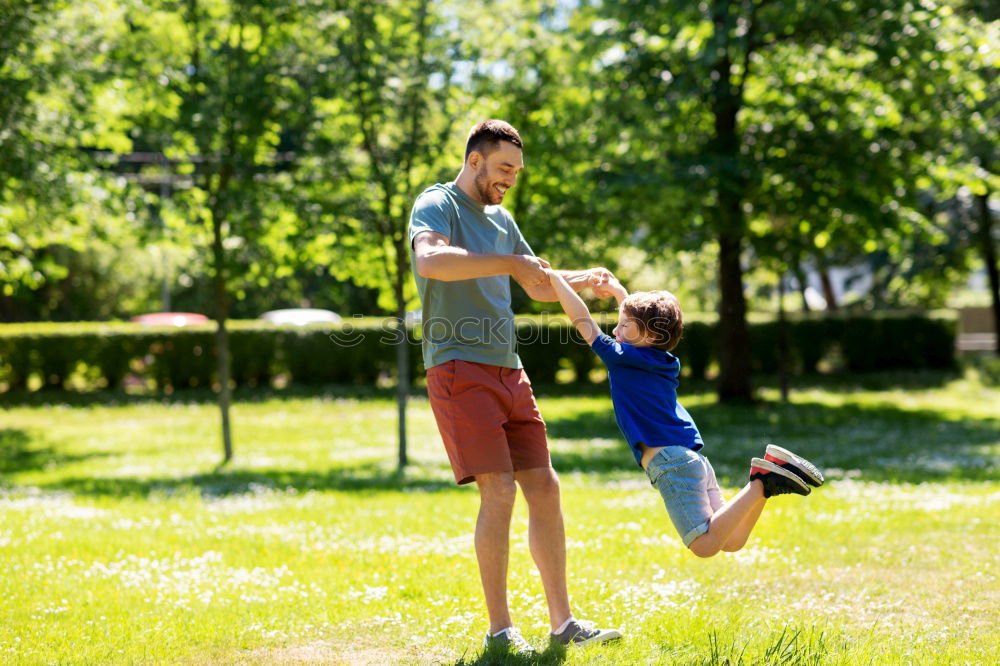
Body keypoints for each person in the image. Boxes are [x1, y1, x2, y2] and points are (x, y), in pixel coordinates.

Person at [408, 119, 621, 653]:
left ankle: (563, 623)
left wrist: (579, 280)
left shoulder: (502, 219)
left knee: (544, 485)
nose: (510, 180)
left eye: (516, 172)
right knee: (498, 489)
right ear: (474, 160)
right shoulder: (438, 204)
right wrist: (511, 262)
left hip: (509, 368)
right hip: (459, 366)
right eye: (503, 168)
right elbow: (430, 261)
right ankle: (501, 631)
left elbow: (533, 281)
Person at [545, 269, 824, 558]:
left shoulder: (621, 358)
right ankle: (765, 477)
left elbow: (584, 323)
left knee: (704, 546)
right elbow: (640, 325)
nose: (616, 330)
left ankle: (762, 482)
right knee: (732, 540)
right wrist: (619, 293)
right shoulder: (664, 360)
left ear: (650, 334)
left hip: (670, 462)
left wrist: (558, 281)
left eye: (622, 325)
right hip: (693, 460)